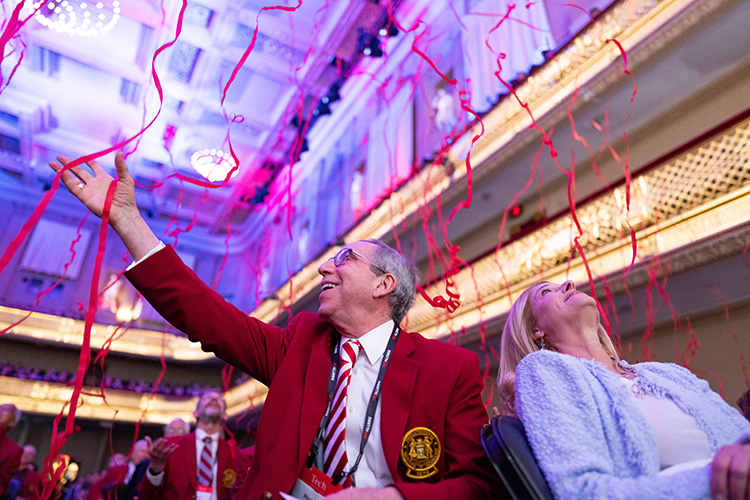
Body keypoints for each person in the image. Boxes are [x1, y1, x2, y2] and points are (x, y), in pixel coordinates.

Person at [50, 153, 498, 500]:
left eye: (345, 259)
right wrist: (127, 220)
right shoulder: (301, 343)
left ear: (385, 284)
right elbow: (202, 312)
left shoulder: (450, 368)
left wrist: (392, 496)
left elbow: (476, 485)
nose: (325, 267)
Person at [497, 280, 750, 500]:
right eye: (546, 292)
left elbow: (741, 432)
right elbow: (583, 492)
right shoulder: (541, 370)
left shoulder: (668, 372)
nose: (569, 284)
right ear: (535, 329)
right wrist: (719, 480)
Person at [139, 391, 236, 500]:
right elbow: (146, 496)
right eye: (208, 397)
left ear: (225, 415)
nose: (214, 399)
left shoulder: (234, 453)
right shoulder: (171, 445)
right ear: (195, 413)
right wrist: (155, 471)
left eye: (220, 399)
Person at [0, 404, 22, 498]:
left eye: (6, 410)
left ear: (12, 422)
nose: (0, 411)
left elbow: (2, 483)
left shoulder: (14, 450)